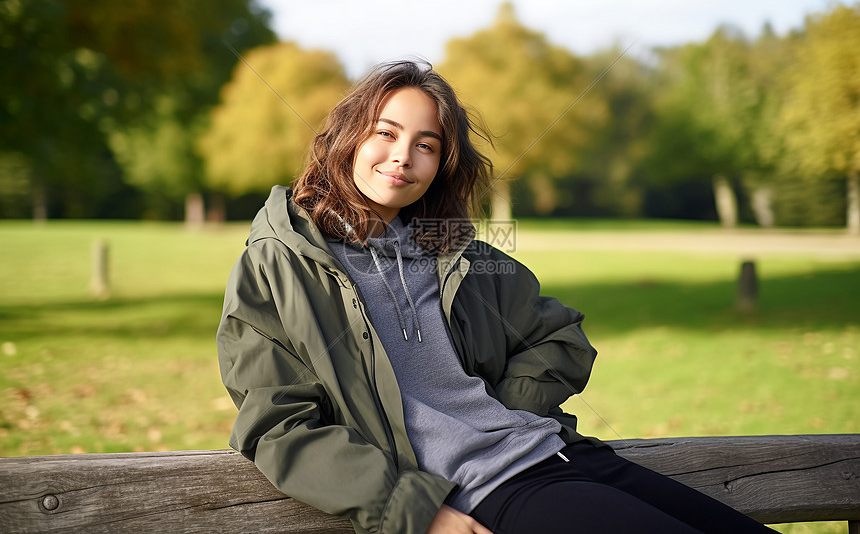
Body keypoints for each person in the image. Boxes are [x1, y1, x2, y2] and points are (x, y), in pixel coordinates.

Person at [216, 61, 774, 534]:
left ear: (441, 165)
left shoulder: (455, 254)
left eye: (425, 144)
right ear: (348, 138)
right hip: (484, 489)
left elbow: (558, 335)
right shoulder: (278, 265)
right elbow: (277, 425)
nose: (402, 156)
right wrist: (417, 510)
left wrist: (508, 412)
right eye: (385, 133)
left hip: (557, 453)